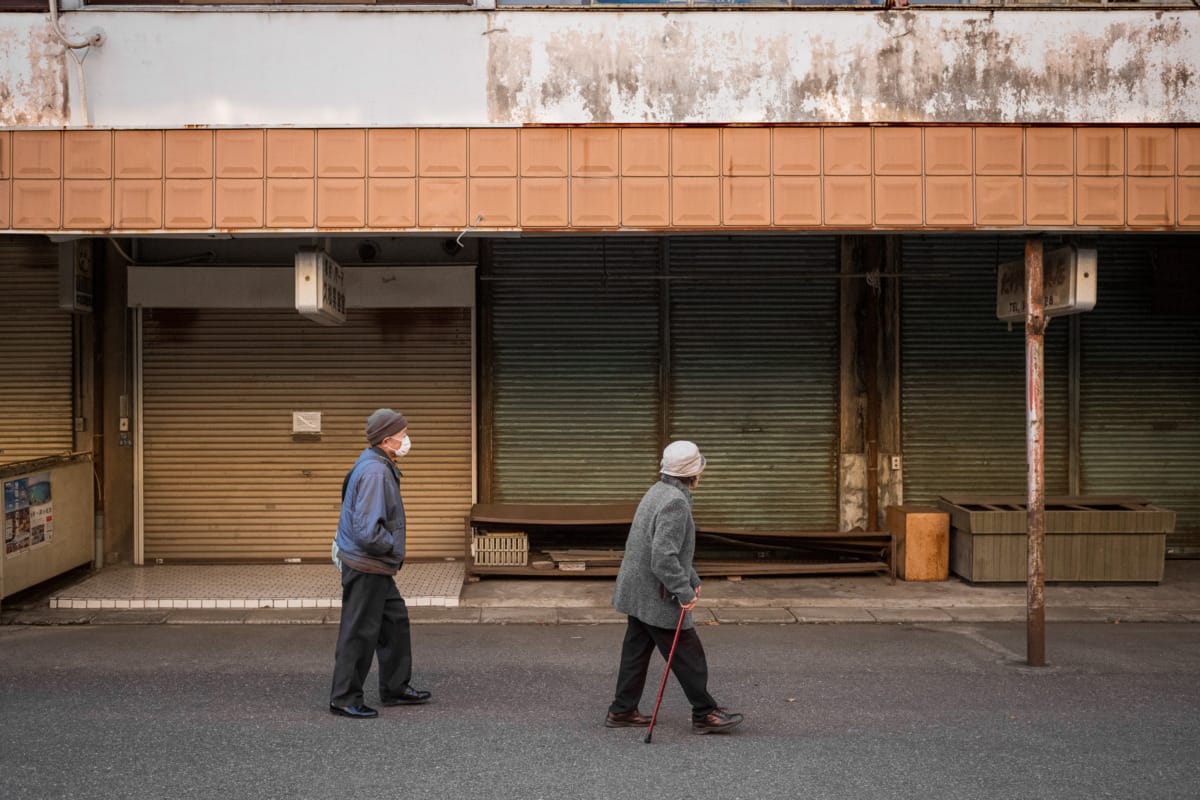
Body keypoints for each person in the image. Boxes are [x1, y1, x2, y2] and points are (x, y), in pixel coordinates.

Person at [606, 441, 744, 735]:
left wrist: (692, 579)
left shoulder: (657, 491)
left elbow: (669, 550)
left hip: (637, 589)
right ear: (694, 474)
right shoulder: (676, 503)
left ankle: (622, 710)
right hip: (657, 594)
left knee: (636, 650)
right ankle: (704, 713)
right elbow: (663, 557)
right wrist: (684, 591)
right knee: (687, 653)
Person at [329, 408, 431, 719]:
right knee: (359, 630)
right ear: (387, 440)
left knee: (394, 622)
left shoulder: (376, 462)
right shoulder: (375, 472)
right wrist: (392, 548)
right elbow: (367, 531)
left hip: (374, 564)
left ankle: (395, 686)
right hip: (367, 563)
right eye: (403, 435)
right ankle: (344, 697)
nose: (407, 440)